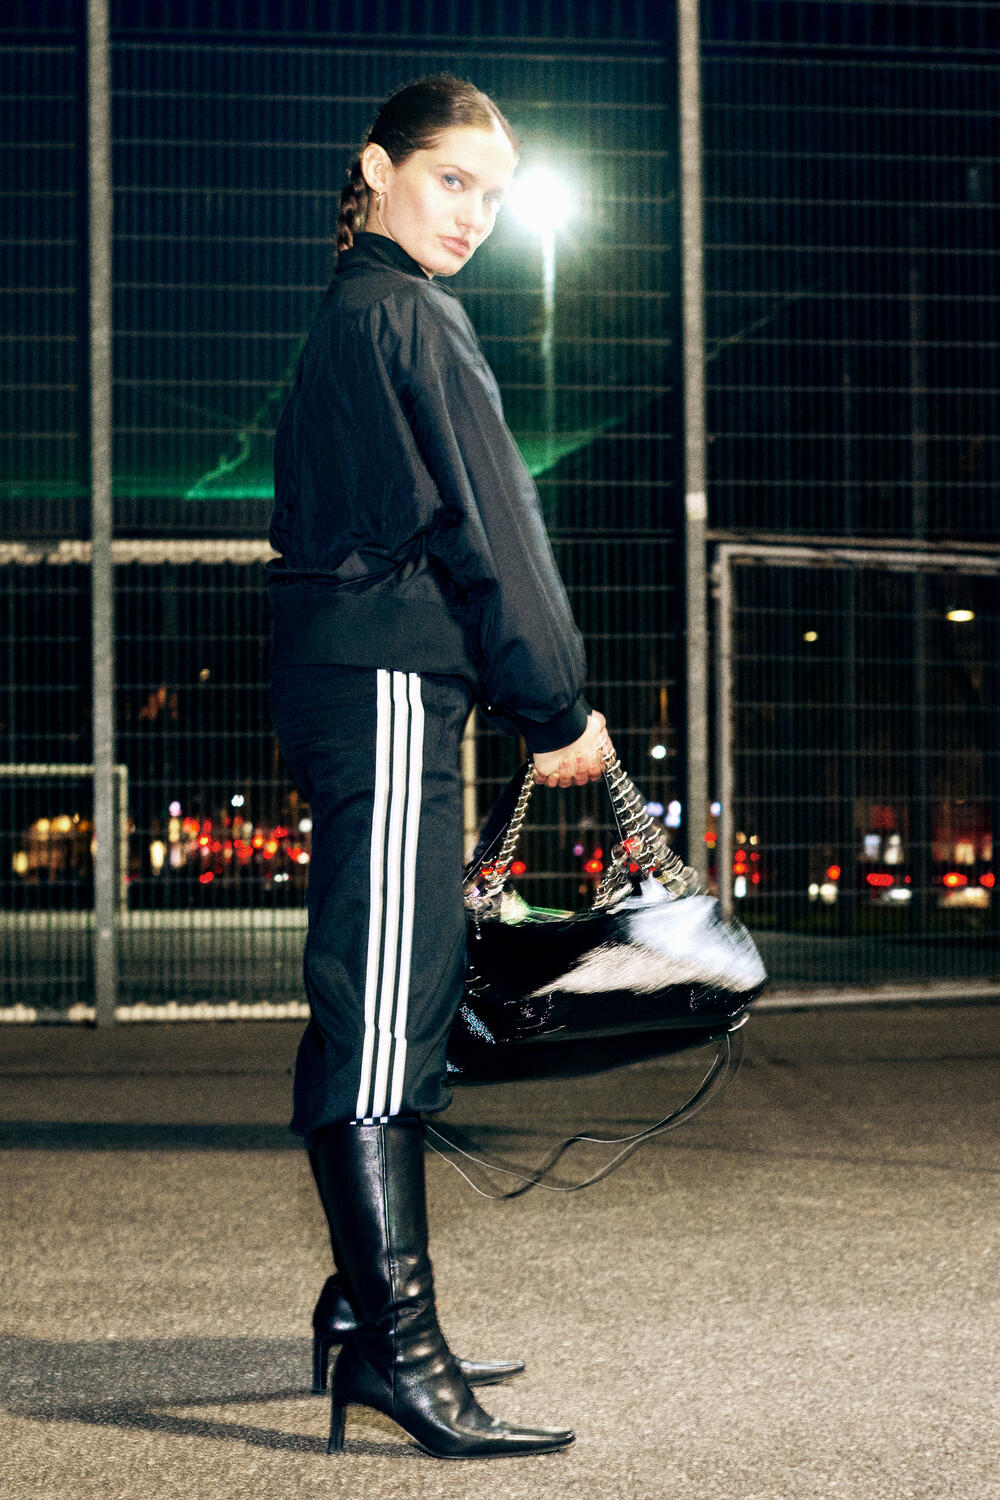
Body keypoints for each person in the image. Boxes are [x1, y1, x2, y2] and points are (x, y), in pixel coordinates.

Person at [267, 73, 613, 1460]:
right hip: (394, 682)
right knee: (382, 1010)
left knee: (378, 986)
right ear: (379, 168)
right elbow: (492, 525)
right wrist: (555, 704)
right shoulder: (408, 313)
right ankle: (400, 1357)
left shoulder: (349, 315)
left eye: (493, 193)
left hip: (359, 680)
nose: (473, 212)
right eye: (452, 178)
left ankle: (368, 1320)